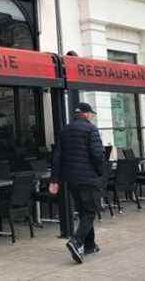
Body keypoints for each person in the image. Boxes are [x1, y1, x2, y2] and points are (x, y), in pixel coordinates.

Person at [50, 102, 104, 264]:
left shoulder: (65, 130)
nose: (91, 116)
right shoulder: (91, 129)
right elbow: (97, 155)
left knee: (83, 211)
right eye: (91, 114)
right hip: (88, 178)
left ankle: (90, 245)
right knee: (90, 212)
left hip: (71, 179)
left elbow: (57, 157)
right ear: (86, 114)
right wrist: (100, 172)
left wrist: (55, 179)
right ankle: (76, 241)